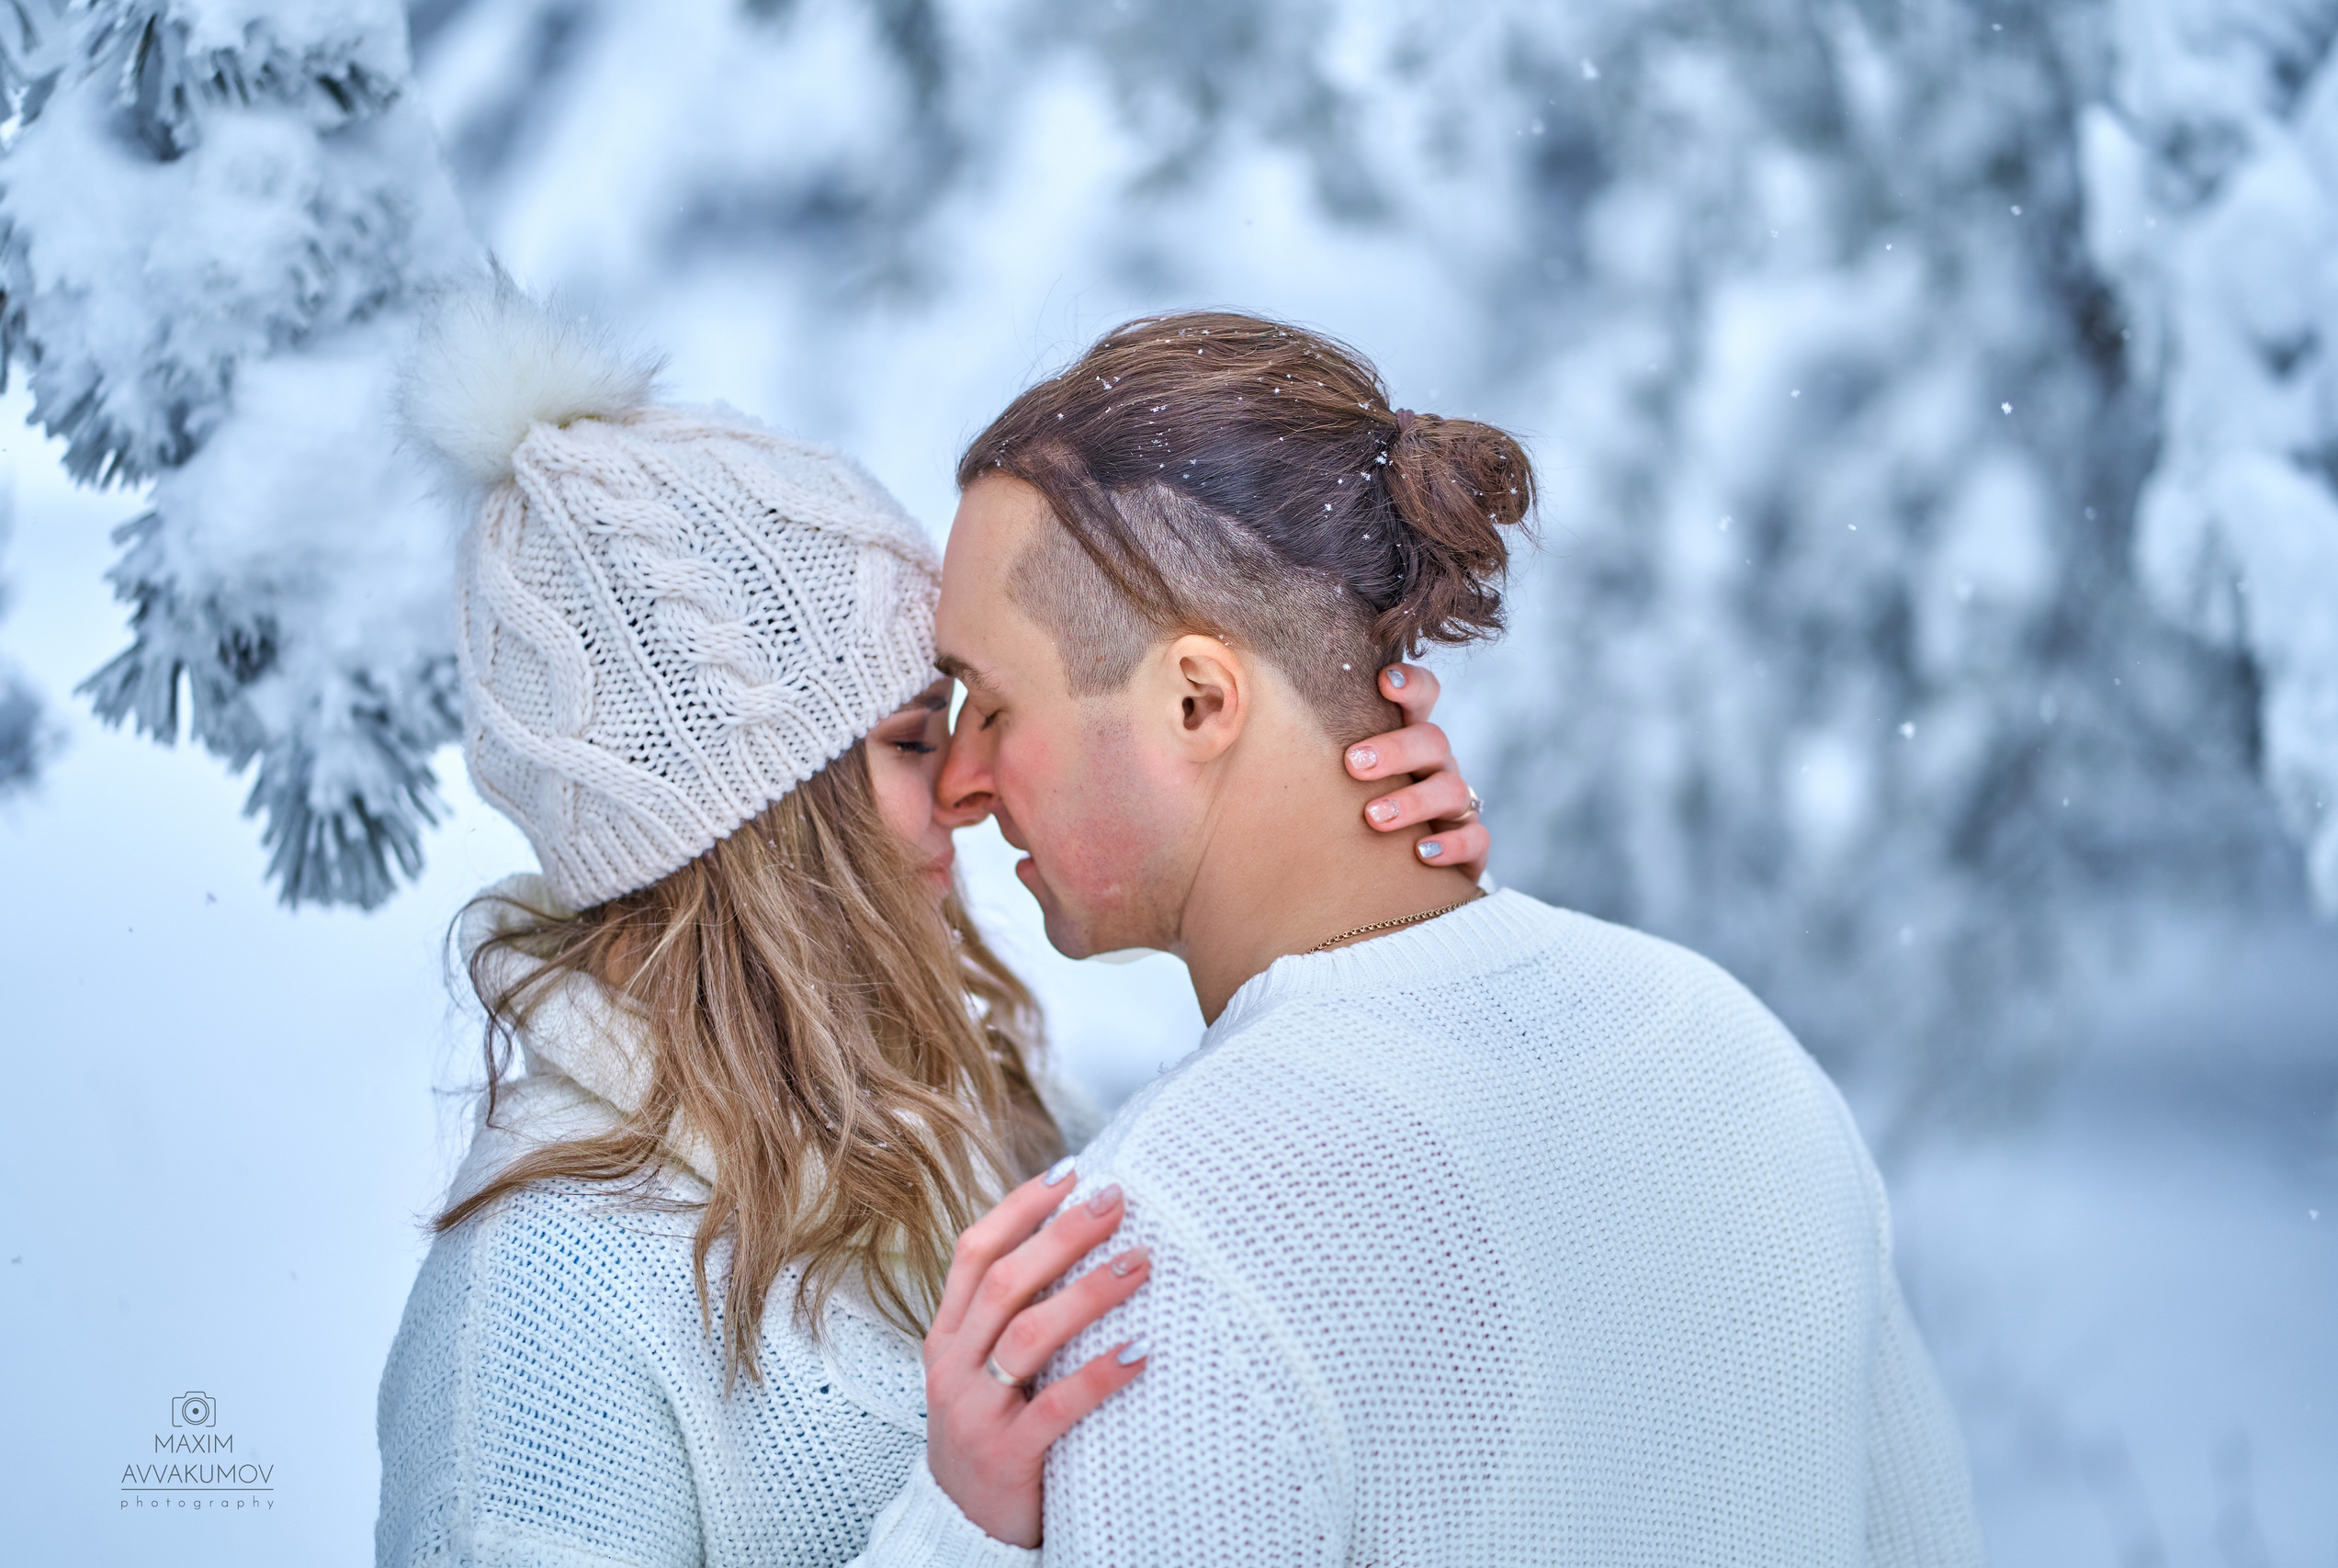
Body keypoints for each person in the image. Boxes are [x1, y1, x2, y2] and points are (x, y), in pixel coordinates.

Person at [372, 277, 1491, 1567]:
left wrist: (1364, 913)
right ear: (757, 825)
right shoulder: (537, 1308)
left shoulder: (971, 1120)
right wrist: (953, 1531)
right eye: (914, 738)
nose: (968, 783)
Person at [903, 310, 1987, 1563]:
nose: (957, 784)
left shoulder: (1151, 1252)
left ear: (1197, 701)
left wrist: (952, 1532)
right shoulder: (1728, 1044)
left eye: (992, 705)